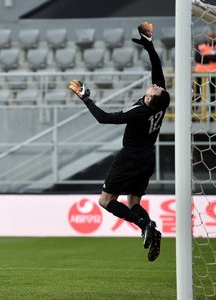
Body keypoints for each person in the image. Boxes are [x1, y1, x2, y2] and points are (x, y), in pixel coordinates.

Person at [69, 21, 167, 262]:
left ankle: (145, 226)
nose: (154, 85)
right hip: (147, 159)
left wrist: (86, 99)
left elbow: (104, 118)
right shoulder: (159, 103)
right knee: (133, 201)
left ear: (149, 98)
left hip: (130, 157)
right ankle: (150, 228)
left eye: (154, 89)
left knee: (105, 201)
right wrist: (150, 47)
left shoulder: (140, 112)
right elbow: (157, 69)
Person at [193, 29, 216, 117]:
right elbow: (197, 58)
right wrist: (211, 58)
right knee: (197, 93)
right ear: (206, 36)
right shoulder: (199, 46)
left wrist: (204, 57)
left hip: (214, 73)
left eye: (212, 36)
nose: (211, 38)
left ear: (215, 36)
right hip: (199, 73)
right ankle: (194, 112)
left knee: (213, 93)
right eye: (209, 36)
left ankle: (211, 114)